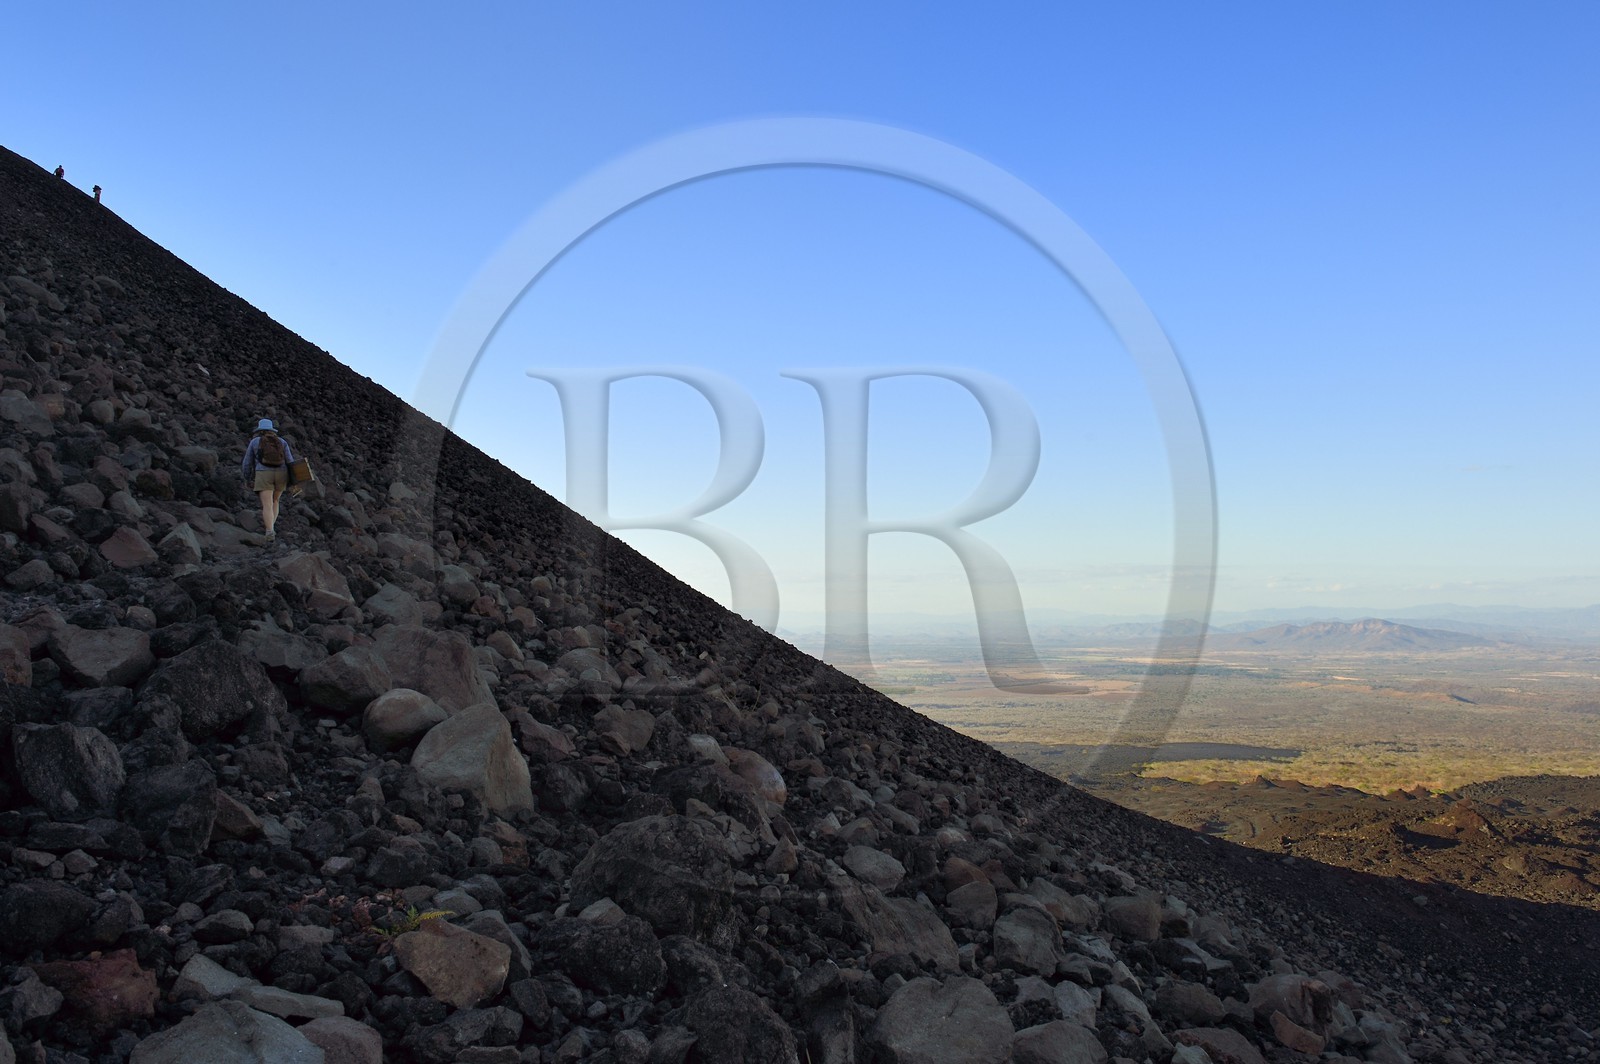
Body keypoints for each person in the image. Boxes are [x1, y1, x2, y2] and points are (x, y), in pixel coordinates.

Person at [240, 417, 296, 542]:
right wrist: (293, 479)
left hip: (263, 473)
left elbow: (247, 462)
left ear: (260, 430)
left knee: (267, 504)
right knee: (275, 501)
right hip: (281, 474)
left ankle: (269, 531)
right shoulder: (282, 442)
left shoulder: (255, 442)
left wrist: (247, 477)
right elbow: (290, 461)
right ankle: (271, 527)